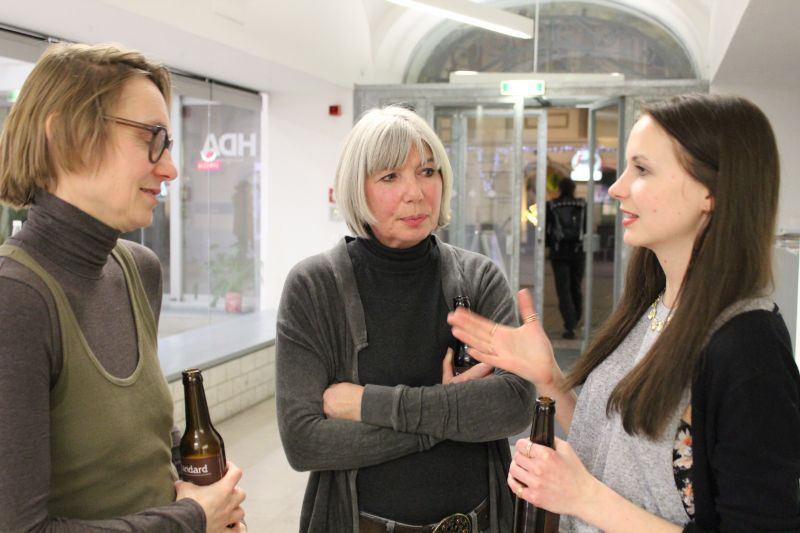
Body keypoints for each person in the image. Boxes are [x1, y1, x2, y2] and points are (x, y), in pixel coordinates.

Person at [448, 93, 800, 531]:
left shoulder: (747, 347)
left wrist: (584, 498)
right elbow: (615, 447)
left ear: (711, 192)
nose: (616, 188)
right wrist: (549, 378)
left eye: (643, 169)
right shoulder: (656, 304)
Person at [0, 42, 246, 531]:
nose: (170, 167)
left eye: (168, 142)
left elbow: (149, 439)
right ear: (63, 136)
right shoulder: (16, 298)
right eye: (151, 138)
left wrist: (210, 495)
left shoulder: (138, 269)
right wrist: (190, 518)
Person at [276, 105, 533, 532]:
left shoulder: (479, 278)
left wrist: (366, 404)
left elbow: (514, 406)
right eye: (390, 176)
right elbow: (305, 442)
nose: (415, 193)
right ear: (357, 188)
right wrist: (450, 416)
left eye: (427, 171)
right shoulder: (315, 287)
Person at [545, 177, 586, 339]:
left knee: (563, 290)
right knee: (576, 286)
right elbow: (586, 229)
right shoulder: (582, 205)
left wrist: (548, 246)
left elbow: (547, 229)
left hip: (558, 252)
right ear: (574, 189)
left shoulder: (552, 205)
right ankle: (577, 317)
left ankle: (570, 325)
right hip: (578, 251)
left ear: (559, 189)